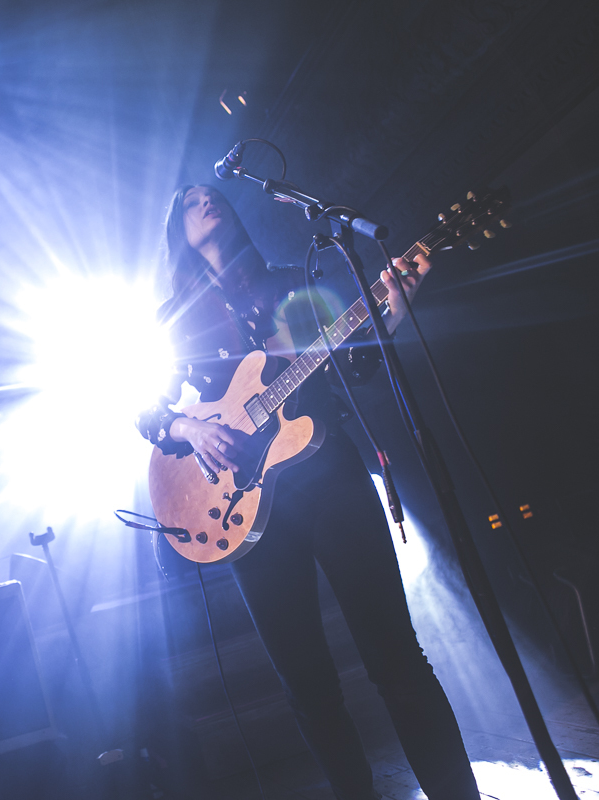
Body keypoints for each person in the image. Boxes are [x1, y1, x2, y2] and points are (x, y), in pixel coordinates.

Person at [137, 185, 479, 799]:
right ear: (177, 232)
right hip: (242, 508)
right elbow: (144, 410)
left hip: (329, 480)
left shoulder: (294, 281)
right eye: (191, 201)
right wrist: (192, 426)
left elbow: (357, 365)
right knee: (308, 685)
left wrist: (391, 306)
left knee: (397, 658)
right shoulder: (174, 320)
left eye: (213, 194)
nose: (207, 200)